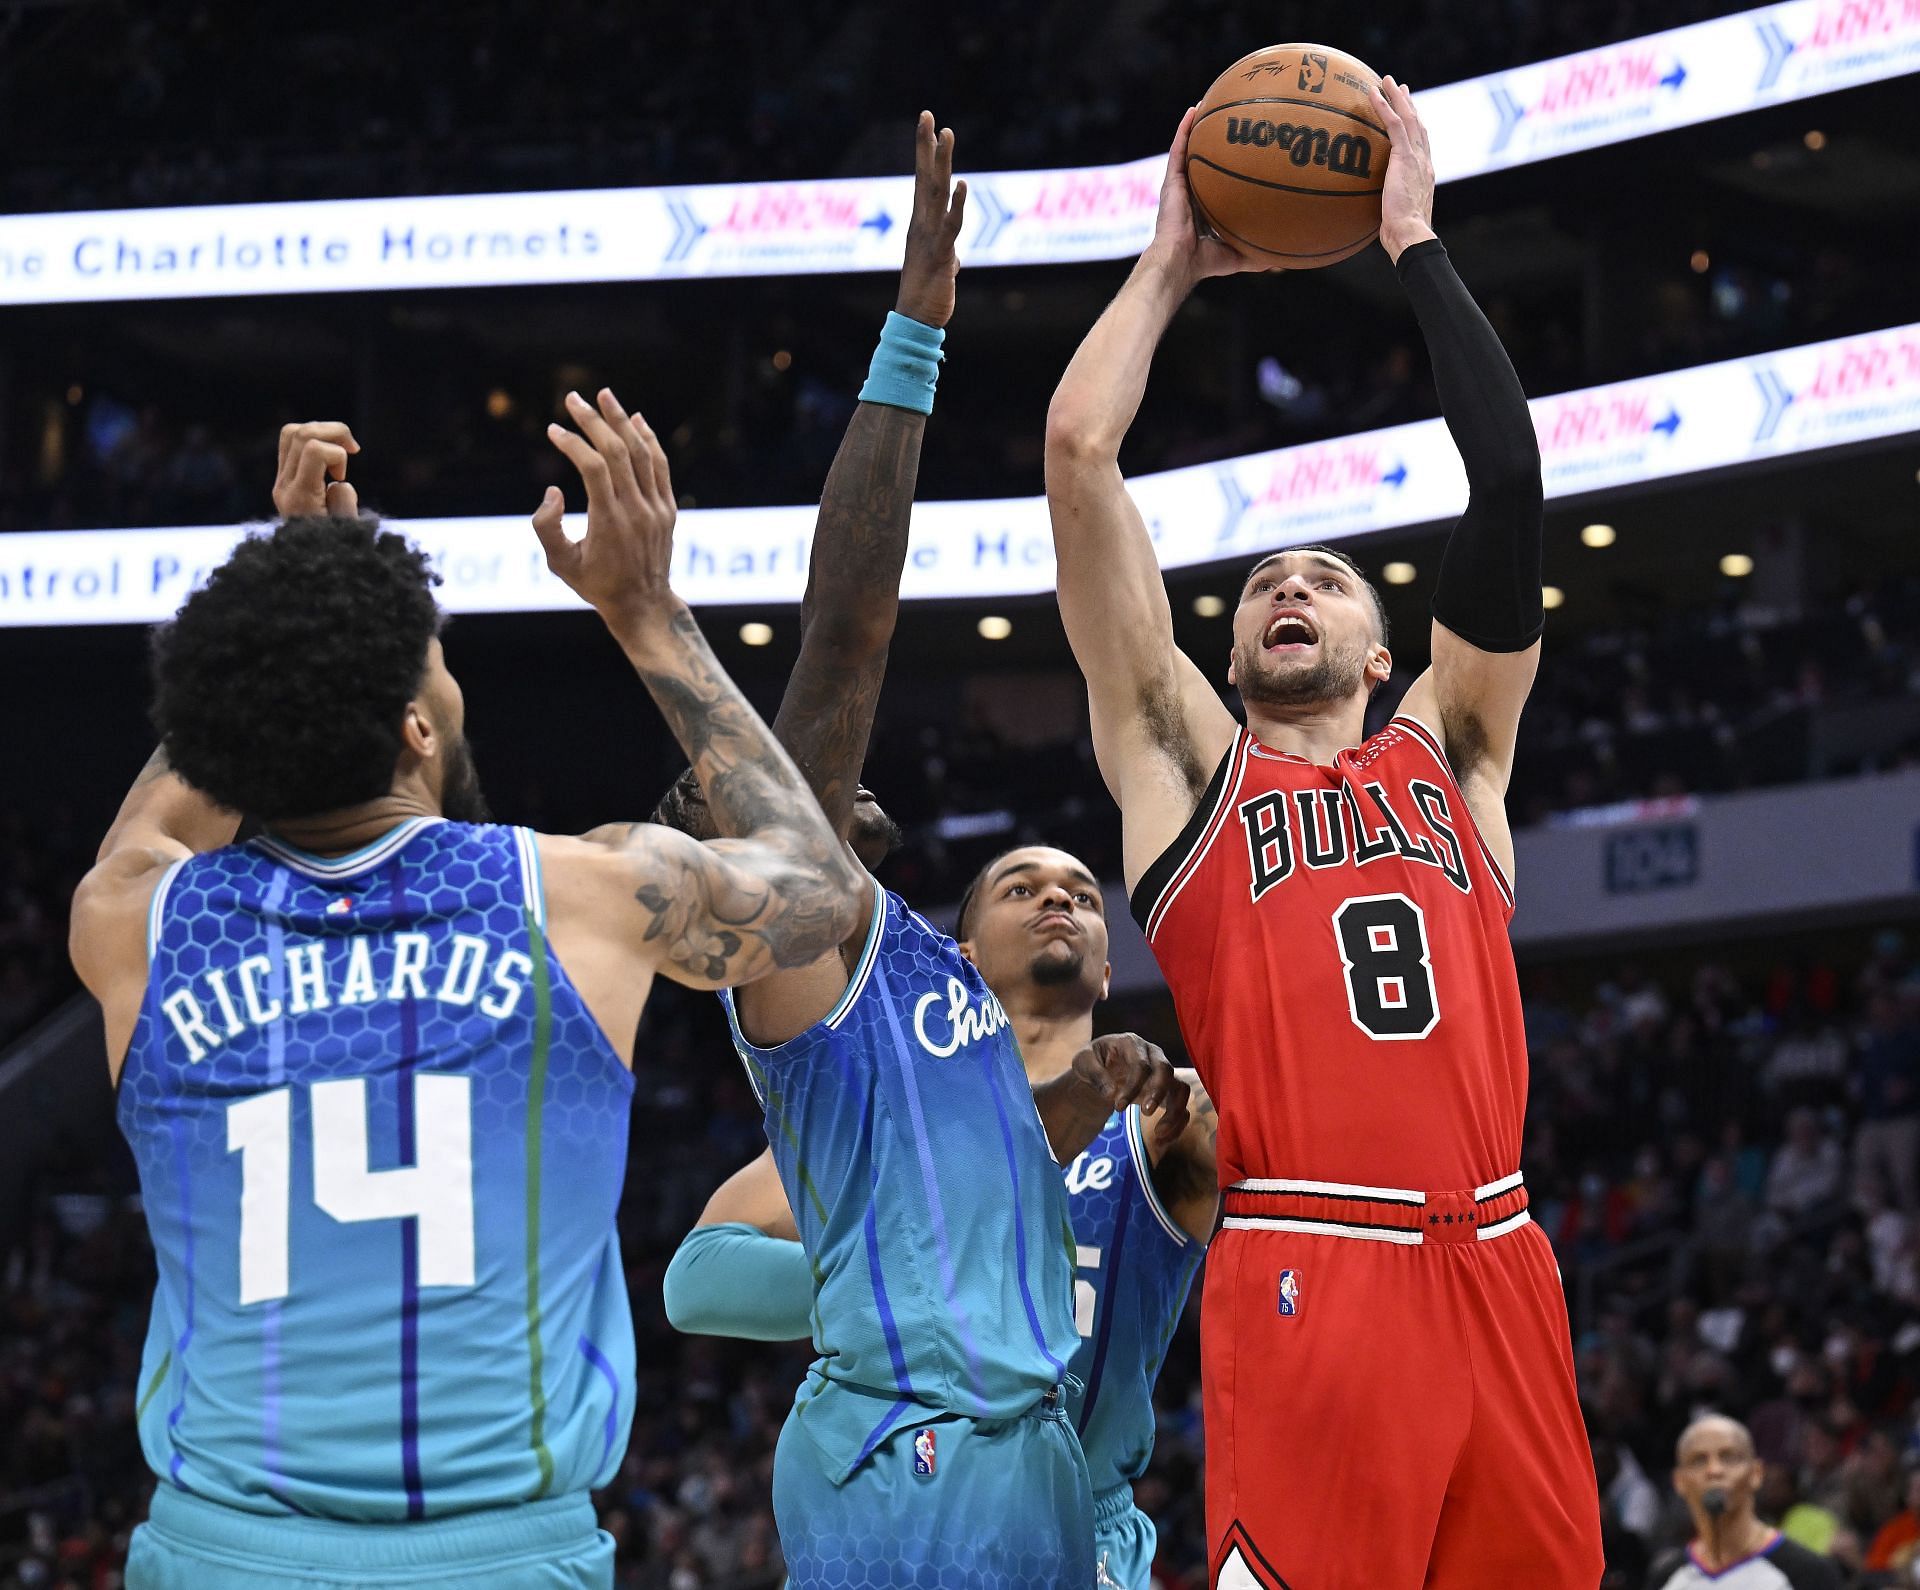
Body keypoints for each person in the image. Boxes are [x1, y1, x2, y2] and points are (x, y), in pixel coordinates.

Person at [66, 396, 867, 1588]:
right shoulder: (582, 891)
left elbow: (161, 808)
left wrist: (292, 591)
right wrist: (648, 614)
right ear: (415, 732)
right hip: (498, 1554)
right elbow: (823, 890)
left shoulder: (137, 920)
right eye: (436, 658)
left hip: (220, 1550)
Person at [1043, 78, 1603, 1588]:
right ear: (1228, 659)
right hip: (1311, 1254)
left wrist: (1414, 242)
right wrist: (1169, 265)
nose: (1290, 586)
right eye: (1264, 582)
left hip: (1500, 1251)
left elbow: (1511, 487)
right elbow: (1079, 456)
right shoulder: (1191, 774)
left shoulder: (1457, 745)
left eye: (1330, 579)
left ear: (1382, 653)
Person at [651, 116, 1187, 1588]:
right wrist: (912, 345)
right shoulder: (821, 968)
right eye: (1025, 878)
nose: (1062, 889)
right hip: (918, 1446)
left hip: (1046, 1470)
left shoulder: (938, 1000)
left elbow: (992, 1168)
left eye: (1072, 882)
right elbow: (848, 635)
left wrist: (1092, 1085)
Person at [668, 843, 1218, 1589]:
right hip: (920, 1493)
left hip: (1080, 1526)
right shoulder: (891, 1122)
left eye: (1085, 897)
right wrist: (898, 1281)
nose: (1060, 901)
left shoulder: (1167, 1116)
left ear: (1109, 968)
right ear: (964, 957)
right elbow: (695, 1281)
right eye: (1022, 889)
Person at [1648, 1415, 1845, 1589]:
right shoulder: (1666, 1578)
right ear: (1680, 1482)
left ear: (1756, 1473)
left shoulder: (1809, 1573)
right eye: (1699, 1460)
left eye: (1729, 1458)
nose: (1714, 1471)